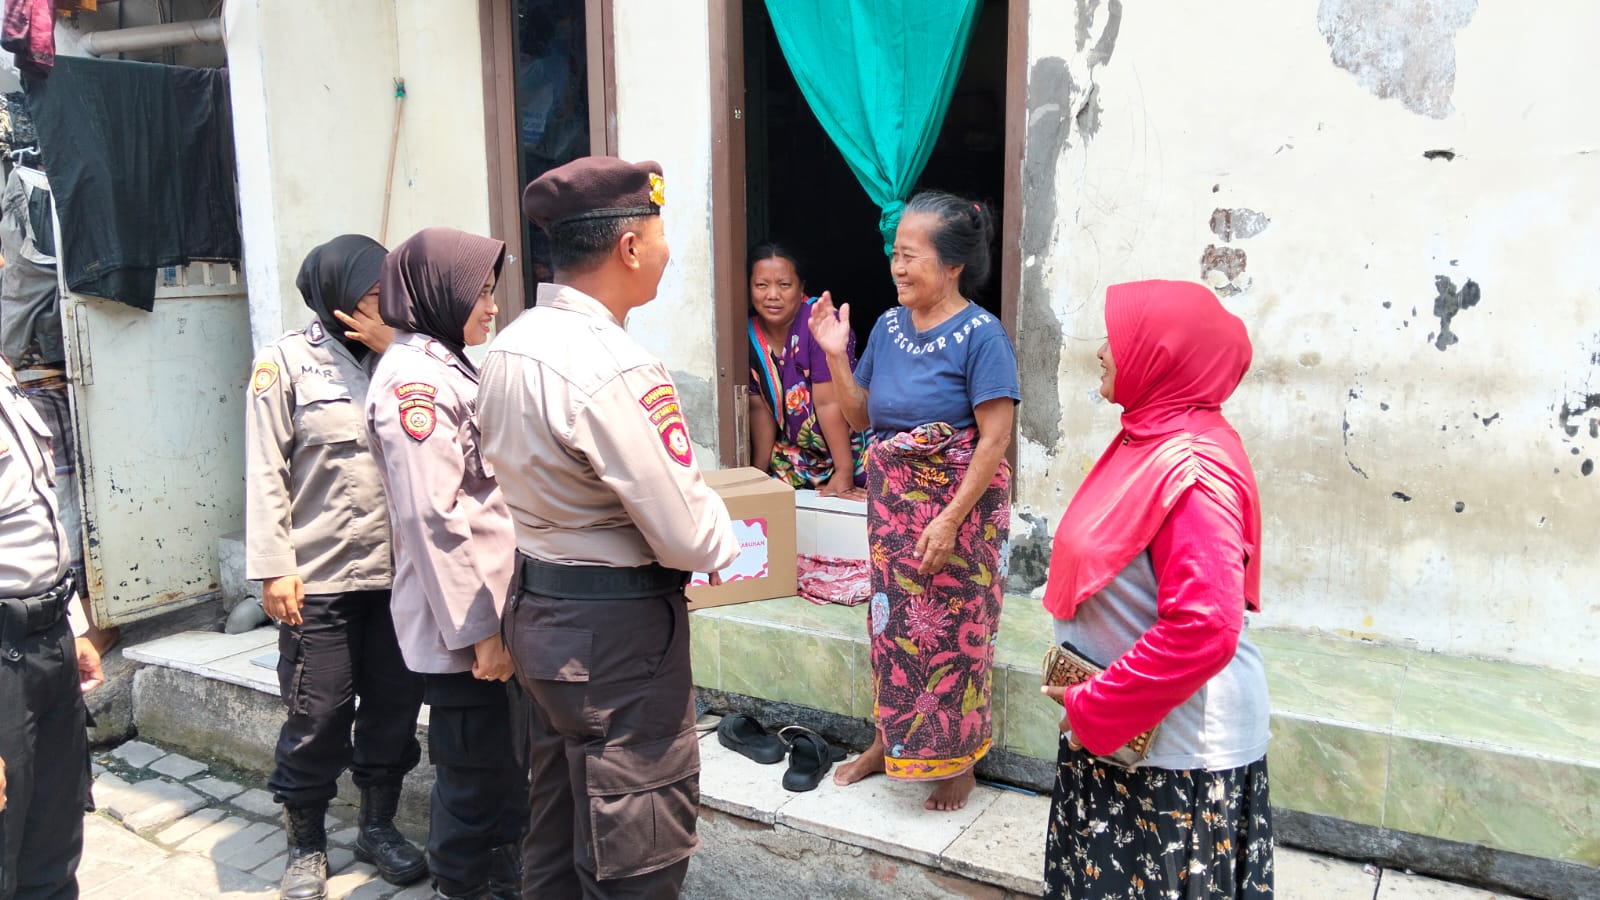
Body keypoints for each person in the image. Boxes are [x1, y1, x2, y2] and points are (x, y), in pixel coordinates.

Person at [478, 156, 739, 898]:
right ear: (628, 247)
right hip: (614, 638)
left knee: (558, 825)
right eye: (660, 234)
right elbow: (690, 536)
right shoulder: (616, 366)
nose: (667, 251)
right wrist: (721, 518)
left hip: (540, 614)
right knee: (636, 845)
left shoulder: (512, 346)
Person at [1039, 280, 1272, 898]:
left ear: (1161, 355)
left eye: (1119, 338)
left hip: (1173, 757)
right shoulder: (1149, 438)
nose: (1102, 351)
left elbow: (1207, 627)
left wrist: (1096, 708)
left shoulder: (1190, 469)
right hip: (1128, 736)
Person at [809, 191, 1019, 812]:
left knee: (957, 636)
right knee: (891, 629)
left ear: (952, 264)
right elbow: (862, 414)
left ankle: (958, 763)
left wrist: (952, 519)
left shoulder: (983, 335)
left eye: (911, 255)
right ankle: (888, 741)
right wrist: (834, 354)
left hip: (962, 513)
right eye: (894, 254)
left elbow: (996, 436)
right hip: (893, 512)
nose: (897, 267)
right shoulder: (888, 326)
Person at [245, 235, 428, 900]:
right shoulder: (288, 362)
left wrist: (396, 353)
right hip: (318, 577)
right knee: (318, 709)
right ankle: (306, 842)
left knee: (393, 707)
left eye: (389, 291)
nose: (385, 303)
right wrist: (273, 568)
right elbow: (265, 469)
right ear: (334, 292)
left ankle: (376, 828)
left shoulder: (407, 357)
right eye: (371, 292)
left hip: (400, 575)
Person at [365, 227, 526, 900]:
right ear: (439, 294)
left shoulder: (447, 365)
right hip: (464, 629)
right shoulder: (417, 387)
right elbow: (435, 520)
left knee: (502, 767)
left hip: (490, 616)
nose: (491, 308)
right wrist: (481, 633)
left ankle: (502, 879)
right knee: (470, 777)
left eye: (492, 292)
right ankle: (459, 886)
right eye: (480, 294)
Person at [0, 354, 103, 900]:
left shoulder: (5, 376)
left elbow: (38, 519)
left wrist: (73, 624)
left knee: (55, 833)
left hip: (46, 637)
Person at [746, 242, 867, 497]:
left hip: (851, 443)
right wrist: (755, 477)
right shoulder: (749, 333)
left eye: (784, 285)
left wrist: (844, 472)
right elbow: (760, 410)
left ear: (801, 287)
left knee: (874, 473)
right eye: (761, 285)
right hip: (804, 453)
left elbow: (827, 403)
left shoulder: (818, 321)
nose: (772, 295)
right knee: (778, 476)